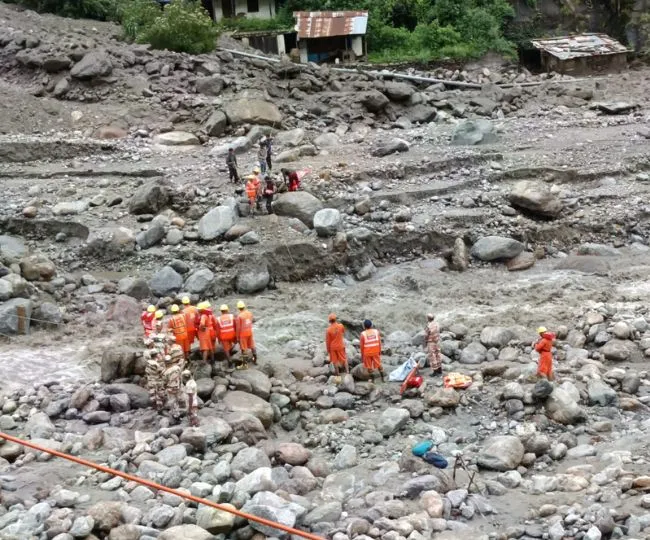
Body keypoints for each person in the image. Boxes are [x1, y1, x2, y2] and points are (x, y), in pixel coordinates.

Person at [144, 338, 165, 411]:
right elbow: (161, 372)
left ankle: (154, 407)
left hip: (150, 380)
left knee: (152, 394)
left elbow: (146, 371)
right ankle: (160, 408)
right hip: (157, 380)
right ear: (156, 355)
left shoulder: (148, 363)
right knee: (159, 394)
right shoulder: (156, 364)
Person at [325, 313, 348, 378]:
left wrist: (328, 350)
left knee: (335, 361)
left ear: (329, 321)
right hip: (340, 345)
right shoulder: (341, 326)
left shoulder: (328, 330)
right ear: (336, 319)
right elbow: (343, 332)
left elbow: (328, 341)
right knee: (344, 359)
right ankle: (347, 373)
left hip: (333, 347)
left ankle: (338, 375)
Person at [162, 352, 182, 421]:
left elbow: (164, 382)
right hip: (178, 387)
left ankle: (176, 416)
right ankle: (178, 413)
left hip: (170, 389)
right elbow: (180, 376)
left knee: (172, 402)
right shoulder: (177, 367)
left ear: (165, 363)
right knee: (177, 400)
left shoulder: (165, 372)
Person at [236, 300, 257, 365]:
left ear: (238, 308)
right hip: (249, 332)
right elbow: (251, 321)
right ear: (244, 306)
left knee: (244, 349)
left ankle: (245, 364)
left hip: (243, 334)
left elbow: (238, 328)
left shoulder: (239, 316)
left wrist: (237, 337)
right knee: (252, 346)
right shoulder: (249, 313)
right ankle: (255, 360)